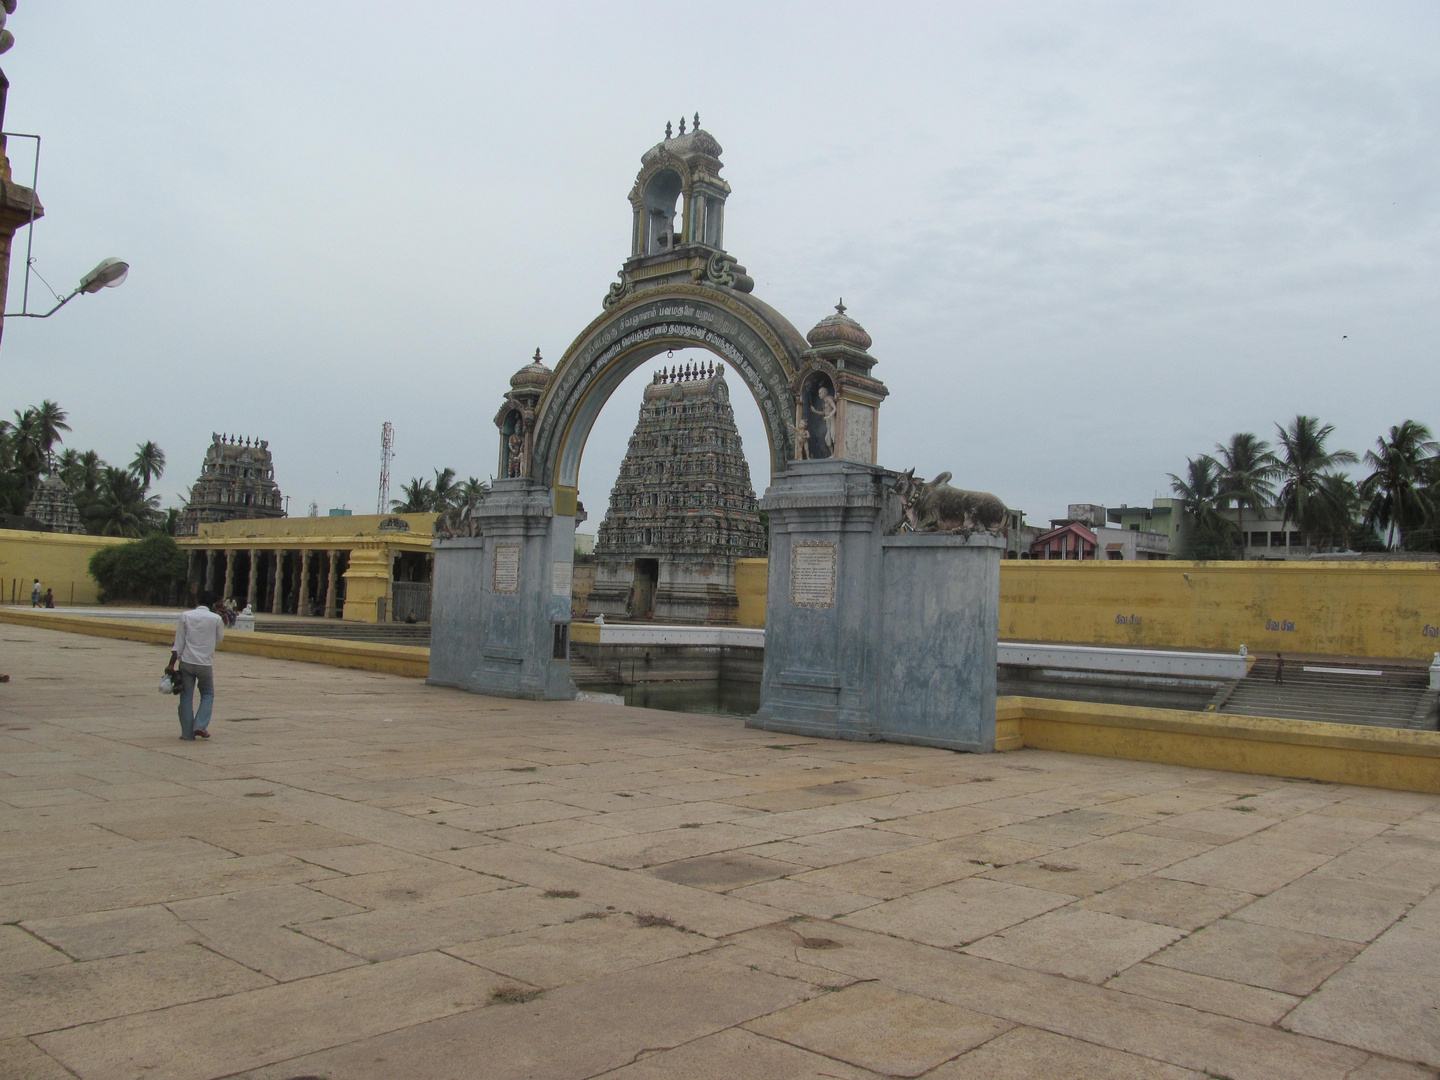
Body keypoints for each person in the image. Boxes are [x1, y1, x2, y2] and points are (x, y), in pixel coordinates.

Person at [165, 590, 226, 741]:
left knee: (186, 697)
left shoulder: (186, 616)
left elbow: (178, 642)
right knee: (207, 693)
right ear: (212, 604)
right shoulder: (216, 619)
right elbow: (219, 639)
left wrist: (171, 664)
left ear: (197, 601)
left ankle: (186, 733)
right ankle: (200, 724)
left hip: (186, 662)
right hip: (205, 663)